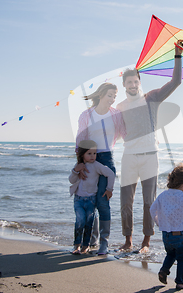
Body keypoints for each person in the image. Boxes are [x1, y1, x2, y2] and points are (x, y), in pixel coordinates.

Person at [116, 39, 183, 252]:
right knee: (126, 202)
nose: (133, 85)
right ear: (124, 85)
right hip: (129, 157)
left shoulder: (152, 98)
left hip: (150, 157)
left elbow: (176, 82)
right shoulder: (120, 107)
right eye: (129, 82)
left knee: (149, 202)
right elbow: (115, 133)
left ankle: (146, 242)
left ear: (139, 82)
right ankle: (128, 241)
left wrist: (177, 55)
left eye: (136, 81)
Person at [75, 82, 126, 255]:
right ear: (101, 95)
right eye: (110, 95)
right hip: (89, 158)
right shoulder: (87, 115)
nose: (112, 99)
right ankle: (90, 240)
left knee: (103, 202)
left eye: (114, 96)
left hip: (107, 159)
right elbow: (80, 139)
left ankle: (104, 242)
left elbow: (123, 134)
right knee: (90, 201)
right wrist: (80, 162)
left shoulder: (116, 114)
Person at [69, 140, 116, 255]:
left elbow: (110, 174)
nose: (93, 156)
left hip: (91, 200)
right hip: (78, 200)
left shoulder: (96, 166)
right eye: (89, 153)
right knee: (80, 220)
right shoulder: (79, 166)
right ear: (82, 154)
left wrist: (109, 189)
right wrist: (76, 170)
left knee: (89, 222)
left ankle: (86, 246)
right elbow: (71, 180)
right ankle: (76, 246)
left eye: (94, 153)